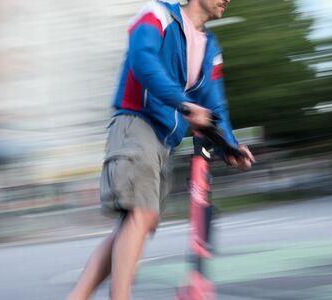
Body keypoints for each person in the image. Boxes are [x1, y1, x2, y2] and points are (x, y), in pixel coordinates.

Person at [67, 0, 253, 299]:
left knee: (138, 223)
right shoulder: (157, 15)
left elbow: (215, 104)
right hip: (136, 122)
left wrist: (231, 147)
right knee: (140, 215)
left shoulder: (210, 47)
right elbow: (143, 62)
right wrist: (183, 103)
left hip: (164, 141)